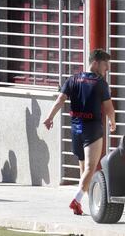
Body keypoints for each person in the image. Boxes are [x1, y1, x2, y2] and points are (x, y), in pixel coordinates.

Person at [43, 49, 116, 215]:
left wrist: (49, 118)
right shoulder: (100, 83)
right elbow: (109, 107)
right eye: (105, 65)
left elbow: (60, 100)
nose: (107, 69)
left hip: (76, 128)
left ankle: (86, 202)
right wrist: (112, 122)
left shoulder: (73, 79)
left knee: (83, 168)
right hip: (92, 129)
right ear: (95, 63)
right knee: (91, 167)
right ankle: (76, 200)